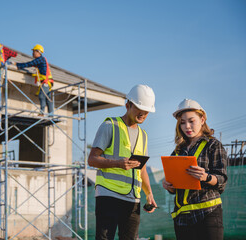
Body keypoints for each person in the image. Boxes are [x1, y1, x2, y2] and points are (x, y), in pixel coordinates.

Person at [88, 84, 158, 240]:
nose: (143, 114)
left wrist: (149, 194)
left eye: (146, 111)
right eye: (139, 109)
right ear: (128, 105)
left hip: (133, 199)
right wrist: (117, 163)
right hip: (108, 195)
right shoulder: (110, 126)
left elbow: (142, 169)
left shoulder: (144, 135)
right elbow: (92, 159)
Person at [162, 99, 227, 240]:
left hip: (208, 215)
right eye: (183, 122)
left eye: (191, 121)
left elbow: (222, 180)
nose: (187, 126)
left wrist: (206, 177)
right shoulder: (177, 151)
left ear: (202, 119)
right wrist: (169, 186)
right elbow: (175, 187)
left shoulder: (213, 145)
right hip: (182, 219)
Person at [12, 44, 54, 115]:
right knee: (48, 99)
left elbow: (29, 64)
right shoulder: (40, 60)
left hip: (46, 82)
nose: (32, 53)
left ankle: (42, 113)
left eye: (34, 51)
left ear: (38, 52)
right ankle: (51, 115)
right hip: (47, 81)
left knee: (42, 96)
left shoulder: (40, 59)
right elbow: (30, 64)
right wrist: (17, 64)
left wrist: (17, 65)